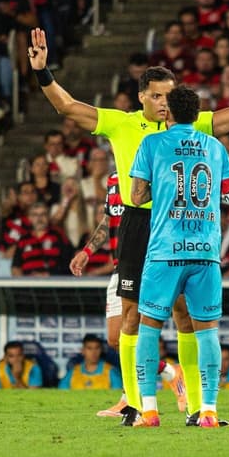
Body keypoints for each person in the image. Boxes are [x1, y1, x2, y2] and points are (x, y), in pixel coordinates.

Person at [28, 27, 229, 426]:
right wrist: (43, 72)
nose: (163, 102)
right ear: (141, 97)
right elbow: (67, 107)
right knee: (133, 316)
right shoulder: (121, 124)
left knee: (187, 316)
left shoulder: (192, 125)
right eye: (155, 95)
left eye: (169, 95)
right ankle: (136, 404)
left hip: (180, 224)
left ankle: (200, 406)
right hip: (139, 222)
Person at [129, 85, 229, 428]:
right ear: (196, 114)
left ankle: (148, 411)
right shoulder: (215, 147)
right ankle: (208, 410)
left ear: (169, 113)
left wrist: (162, 192)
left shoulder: (151, 144)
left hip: (164, 250)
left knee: (149, 328)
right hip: (206, 252)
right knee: (207, 332)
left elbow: (135, 196)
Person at [69, 173, 185, 417]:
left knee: (135, 333)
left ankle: (129, 399)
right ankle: (169, 372)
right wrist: (87, 251)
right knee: (116, 339)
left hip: (148, 265)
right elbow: (108, 219)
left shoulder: (155, 175)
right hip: (120, 266)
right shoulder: (114, 179)